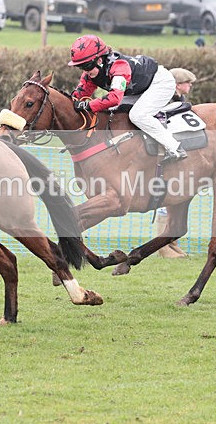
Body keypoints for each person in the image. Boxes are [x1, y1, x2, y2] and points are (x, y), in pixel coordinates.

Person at [67, 34, 187, 163]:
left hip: (159, 83)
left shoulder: (119, 67)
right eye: (81, 67)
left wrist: (87, 106)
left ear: (99, 60)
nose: (85, 71)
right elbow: (77, 96)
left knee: (138, 116)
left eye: (86, 66)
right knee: (114, 112)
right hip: (139, 88)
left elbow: (114, 98)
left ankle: (175, 148)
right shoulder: (90, 73)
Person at [153, 66, 198, 258]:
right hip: (161, 155)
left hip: (175, 153)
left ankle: (171, 243)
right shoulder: (164, 100)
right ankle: (162, 247)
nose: (190, 85)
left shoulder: (180, 100)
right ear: (178, 84)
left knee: (176, 200)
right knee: (164, 200)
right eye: (188, 82)